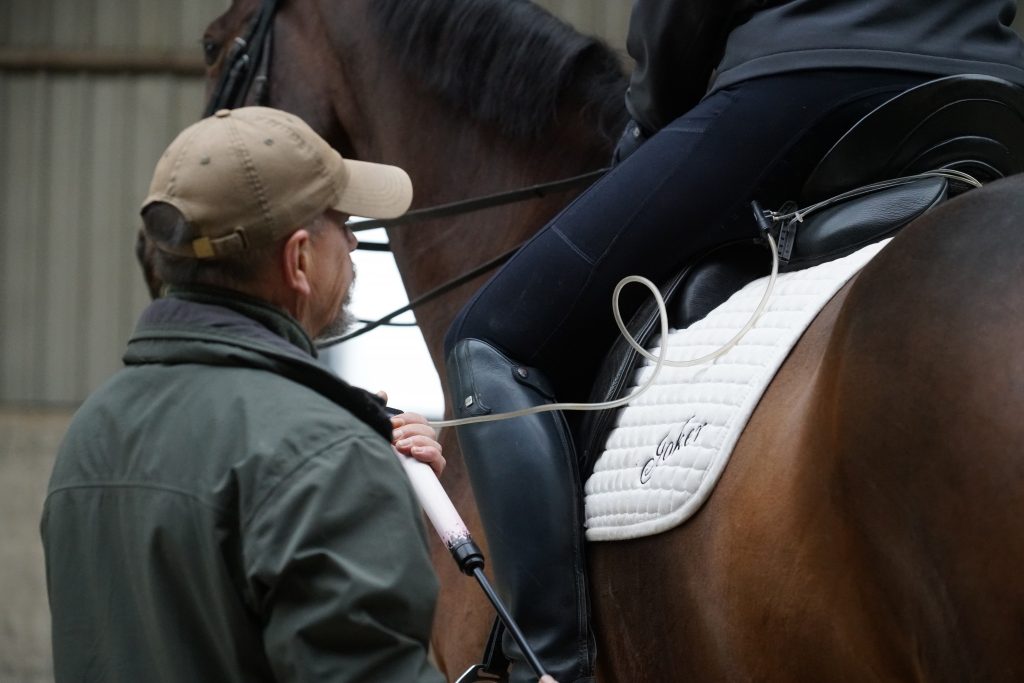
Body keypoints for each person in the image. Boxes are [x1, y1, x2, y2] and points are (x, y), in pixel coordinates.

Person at [443, 2, 1024, 682]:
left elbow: (676, 19)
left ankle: (546, 665)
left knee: (490, 339)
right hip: (990, 99)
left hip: (807, 82)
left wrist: (655, 114)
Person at [41, 106, 446, 683]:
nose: (354, 242)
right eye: (343, 221)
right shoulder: (329, 456)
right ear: (299, 259)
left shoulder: (92, 430)